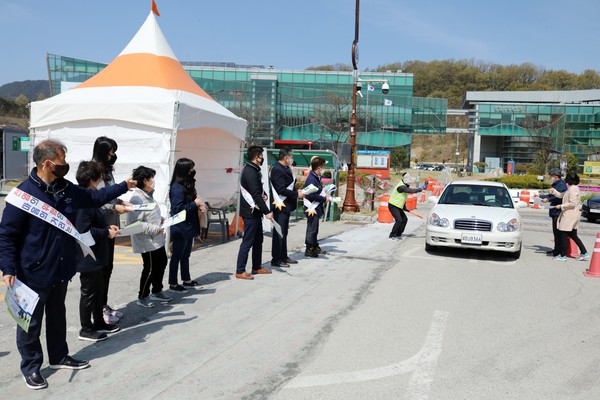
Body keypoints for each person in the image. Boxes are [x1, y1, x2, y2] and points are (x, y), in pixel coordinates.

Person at [0, 140, 136, 390]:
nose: (66, 164)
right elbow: (6, 235)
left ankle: (59, 356)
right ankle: (31, 367)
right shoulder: (23, 195)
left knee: (57, 315)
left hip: (61, 266)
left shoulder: (65, 189)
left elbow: (94, 197)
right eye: (62, 160)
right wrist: (8, 268)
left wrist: (122, 186)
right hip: (32, 270)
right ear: (47, 163)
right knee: (29, 322)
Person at [75, 161, 121, 343]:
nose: (102, 180)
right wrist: (105, 232)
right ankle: (86, 328)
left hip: (97, 252)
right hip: (88, 254)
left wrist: (106, 226)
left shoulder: (90, 198)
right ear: (93, 180)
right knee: (89, 292)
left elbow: (95, 223)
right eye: (101, 177)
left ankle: (99, 322)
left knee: (98, 288)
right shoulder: (84, 201)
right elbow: (83, 229)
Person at [91, 136, 132, 323]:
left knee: (108, 268)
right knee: (100, 270)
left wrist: (120, 201)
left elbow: (110, 195)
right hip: (102, 227)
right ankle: (98, 311)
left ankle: (103, 304)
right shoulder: (94, 171)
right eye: (110, 152)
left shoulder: (107, 171)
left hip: (112, 225)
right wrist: (114, 207)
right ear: (102, 152)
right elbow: (96, 199)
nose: (113, 155)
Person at [128, 166, 171, 306]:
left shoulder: (148, 195)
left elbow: (151, 214)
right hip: (147, 240)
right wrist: (154, 228)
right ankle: (143, 296)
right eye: (151, 178)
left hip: (156, 238)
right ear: (145, 180)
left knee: (162, 262)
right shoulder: (137, 199)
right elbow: (134, 223)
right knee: (150, 267)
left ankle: (157, 291)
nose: (153, 180)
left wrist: (161, 220)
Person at [235, 146, 273, 279]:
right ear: (256, 156)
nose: (262, 158)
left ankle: (257, 266)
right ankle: (240, 270)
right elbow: (255, 194)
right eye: (261, 155)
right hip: (250, 211)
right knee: (248, 241)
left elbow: (259, 190)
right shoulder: (250, 171)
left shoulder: (255, 170)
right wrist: (267, 211)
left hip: (256, 211)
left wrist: (265, 195)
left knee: (258, 240)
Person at [169, 158, 204, 292]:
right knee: (177, 255)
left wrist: (199, 205)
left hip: (189, 225)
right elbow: (178, 208)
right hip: (180, 226)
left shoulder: (187, 184)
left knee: (186, 254)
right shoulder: (177, 187)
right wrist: (194, 204)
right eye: (190, 169)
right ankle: (173, 282)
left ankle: (186, 278)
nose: (192, 171)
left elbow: (192, 201)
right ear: (184, 170)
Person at [269, 148, 304, 267]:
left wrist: (296, 191)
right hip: (280, 205)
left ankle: (283, 255)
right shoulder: (277, 169)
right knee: (279, 232)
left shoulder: (286, 168)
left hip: (286, 206)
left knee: (284, 232)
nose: (292, 158)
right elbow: (280, 189)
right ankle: (276, 259)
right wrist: (296, 194)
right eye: (291, 156)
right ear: (286, 157)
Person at [551, 172, 589, 261]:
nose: (565, 180)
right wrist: (554, 191)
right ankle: (584, 252)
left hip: (570, 215)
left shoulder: (573, 189)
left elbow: (572, 203)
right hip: (571, 215)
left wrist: (561, 206)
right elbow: (561, 195)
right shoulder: (572, 188)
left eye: (567, 178)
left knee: (563, 234)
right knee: (573, 235)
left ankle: (563, 255)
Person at [303, 156, 330, 258]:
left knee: (314, 228)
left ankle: (314, 247)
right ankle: (309, 249)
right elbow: (311, 195)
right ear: (318, 167)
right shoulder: (311, 179)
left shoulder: (315, 177)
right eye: (322, 167)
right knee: (312, 229)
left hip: (316, 207)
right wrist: (323, 199)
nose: (323, 169)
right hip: (311, 208)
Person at [539, 168, 568, 256]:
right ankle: (556, 249)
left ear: (555, 177)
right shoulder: (556, 184)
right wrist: (540, 195)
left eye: (551, 176)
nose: (550, 178)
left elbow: (558, 197)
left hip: (557, 211)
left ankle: (558, 251)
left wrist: (547, 199)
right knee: (555, 232)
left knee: (558, 232)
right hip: (554, 210)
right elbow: (551, 195)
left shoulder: (561, 185)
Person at [387, 172, 424, 241]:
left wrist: (404, 207)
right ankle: (392, 235)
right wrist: (420, 189)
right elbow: (410, 191)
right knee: (399, 220)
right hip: (393, 205)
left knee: (404, 220)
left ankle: (398, 234)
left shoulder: (405, 185)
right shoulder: (401, 187)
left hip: (398, 206)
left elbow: (402, 198)